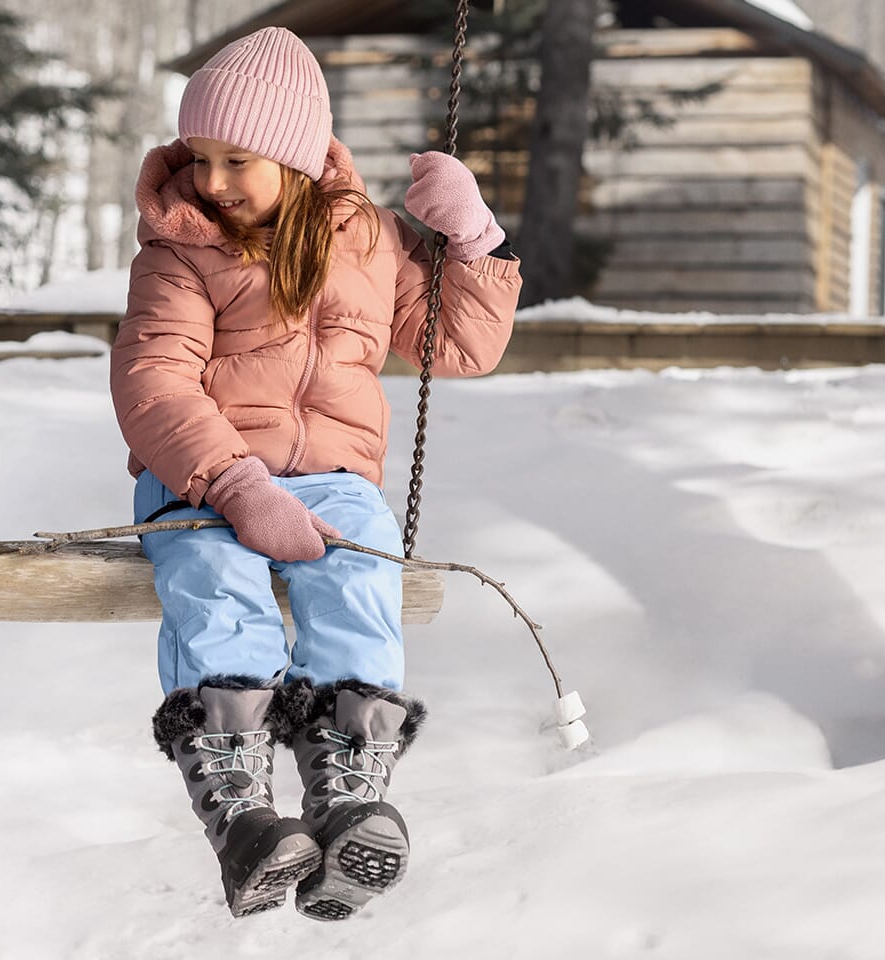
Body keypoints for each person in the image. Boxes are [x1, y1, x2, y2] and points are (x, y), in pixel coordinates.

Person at [110, 26, 521, 921]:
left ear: (295, 160)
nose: (211, 182)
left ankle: (347, 801)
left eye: (237, 159)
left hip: (333, 478)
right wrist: (237, 485)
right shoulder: (179, 250)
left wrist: (470, 236)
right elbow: (154, 383)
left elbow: (459, 343)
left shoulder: (370, 242)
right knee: (215, 576)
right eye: (199, 157)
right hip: (201, 477)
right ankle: (243, 815)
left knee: (362, 564)